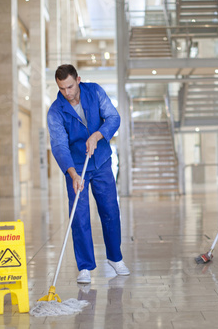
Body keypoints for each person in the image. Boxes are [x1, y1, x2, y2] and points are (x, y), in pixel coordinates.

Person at [47, 64, 130, 284]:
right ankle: (84, 266)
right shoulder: (55, 111)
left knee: (110, 210)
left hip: (101, 161)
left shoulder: (95, 92)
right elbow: (59, 145)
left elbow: (113, 117)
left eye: (71, 86)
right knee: (79, 215)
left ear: (79, 80)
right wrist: (73, 174)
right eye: (62, 88)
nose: (68, 93)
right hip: (75, 167)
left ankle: (115, 258)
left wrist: (97, 135)